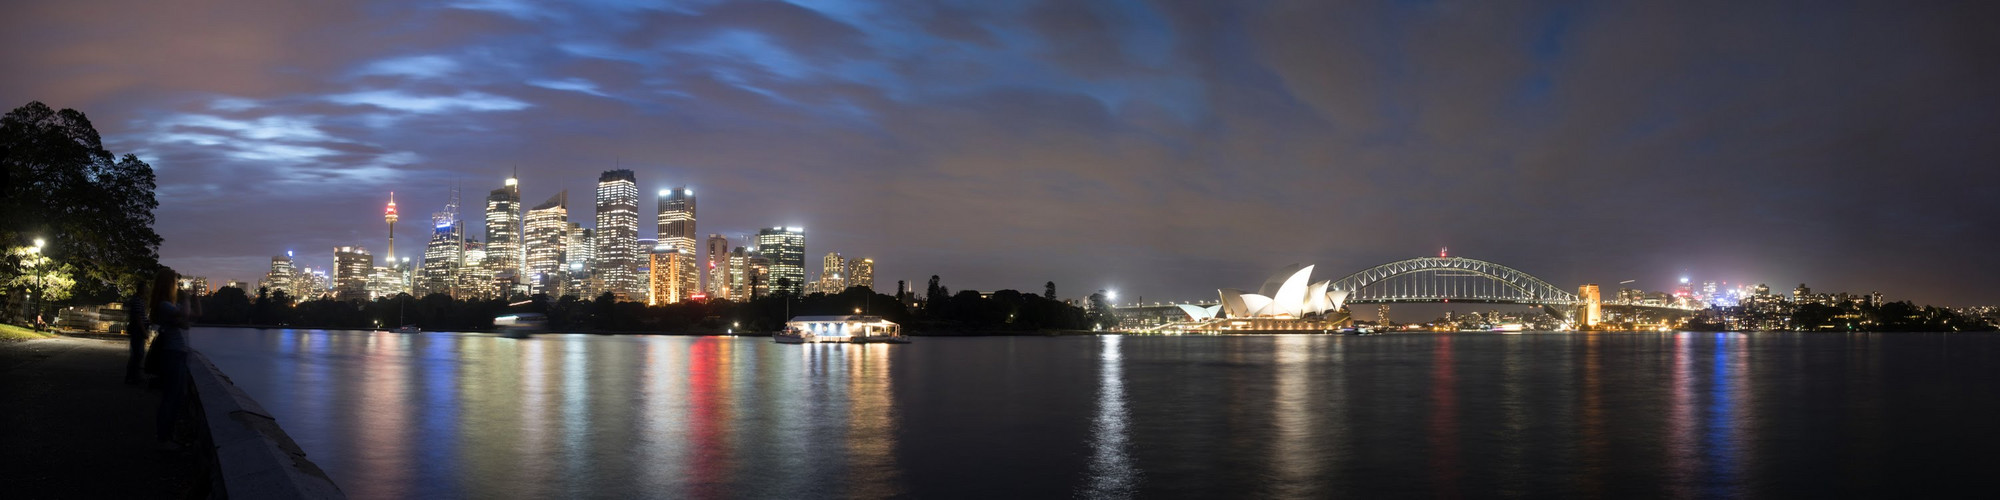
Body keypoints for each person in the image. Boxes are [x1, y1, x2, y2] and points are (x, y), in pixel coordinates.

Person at [149, 269, 197, 451]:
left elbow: (186, 319)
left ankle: (168, 434)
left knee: (176, 397)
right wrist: (186, 298)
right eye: (175, 284)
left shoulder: (166, 305)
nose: (177, 287)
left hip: (176, 353)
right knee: (170, 397)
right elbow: (184, 315)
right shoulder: (164, 305)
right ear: (168, 285)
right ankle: (163, 438)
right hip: (172, 354)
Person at [123, 282, 149, 385]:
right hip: (138, 331)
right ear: (141, 289)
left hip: (137, 330)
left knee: (137, 354)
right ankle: (133, 377)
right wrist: (144, 331)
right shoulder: (137, 300)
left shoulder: (138, 300)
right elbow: (138, 318)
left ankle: (132, 376)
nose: (147, 291)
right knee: (138, 354)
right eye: (146, 289)